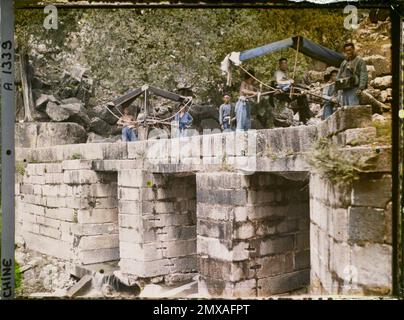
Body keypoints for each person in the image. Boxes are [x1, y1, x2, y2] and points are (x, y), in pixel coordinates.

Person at [273, 58, 312, 124]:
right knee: (301, 95)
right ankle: (305, 117)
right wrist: (289, 81)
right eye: (283, 63)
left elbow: (292, 83)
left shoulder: (285, 73)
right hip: (281, 93)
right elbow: (279, 82)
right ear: (279, 64)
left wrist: (305, 87)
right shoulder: (278, 72)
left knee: (302, 97)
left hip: (288, 92)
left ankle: (303, 119)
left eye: (286, 63)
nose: (285, 65)